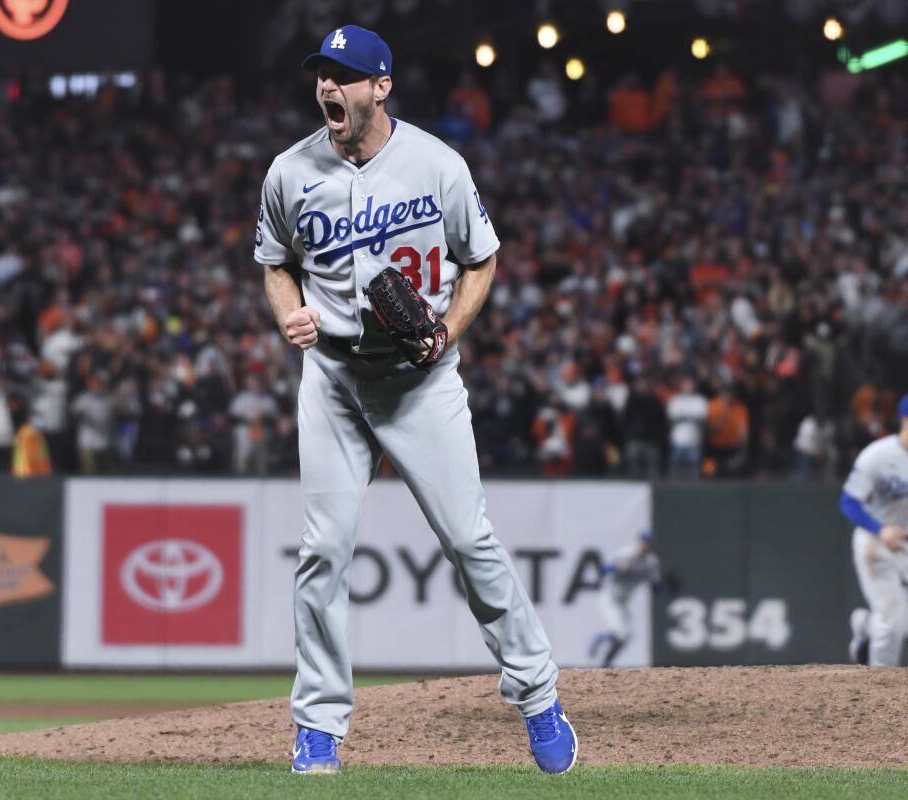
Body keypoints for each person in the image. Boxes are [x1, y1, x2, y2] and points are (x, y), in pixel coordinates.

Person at [256, 25, 576, 775]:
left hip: (418, 381)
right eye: (322, 75)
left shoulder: (437, 166)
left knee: (469, 542)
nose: (328, 87)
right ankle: (318, 727)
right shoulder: (288, 173)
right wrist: (287, 312)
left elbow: (482, 258)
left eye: (345, 76)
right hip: (333, 378)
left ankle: (537, 695)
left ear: (380, 87)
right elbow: (275, 263)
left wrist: (447, 332)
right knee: (322, 553)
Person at [838, 394, 908, 667]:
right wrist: (880, 529)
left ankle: (865, 626)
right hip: (876, 541)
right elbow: (848, 502)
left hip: (904, 543)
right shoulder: (878, 455)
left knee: (901, 624)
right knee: (890, 623)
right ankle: (878, 686)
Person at [589, 531, 664, 668]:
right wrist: (616, 568)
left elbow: (656, 587)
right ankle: (601, 638)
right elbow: (603, 570)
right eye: (644, 542)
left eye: (648, 543)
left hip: (623, 603)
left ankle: (606, 663)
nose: (645, 545)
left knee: (627, 636)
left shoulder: (651, 563)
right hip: (609, 598)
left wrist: (665, 586)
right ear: (639, 542)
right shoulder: (626, 554)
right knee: (620, 632)